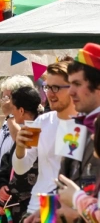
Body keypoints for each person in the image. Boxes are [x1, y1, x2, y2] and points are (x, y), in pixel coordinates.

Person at [12, 59, 77, 223]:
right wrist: (20, 148)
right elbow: (21, 168)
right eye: (47, 87)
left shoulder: (85, 125)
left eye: (56, 87)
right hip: (37, 207)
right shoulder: (42, 122)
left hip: (68, 211)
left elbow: (67, 173)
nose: (49, 93)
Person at [57, 43, 100, 222]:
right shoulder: (71, 127)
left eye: (77, 84)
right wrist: (46, 215)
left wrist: (78, 203)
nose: (71, 91)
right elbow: (61, 184)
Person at [0, 86, 41, 223]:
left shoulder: (34, 131)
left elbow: (28, 173)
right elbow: (8, 163)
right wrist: (0, 185)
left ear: (21, 110)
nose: (11, 111)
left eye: (12, 108)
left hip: (29, 211)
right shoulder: (27, 130)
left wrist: (8, 198)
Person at [58, 115, 100, 223]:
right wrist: (52, 211)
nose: (92, 137)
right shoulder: (71, 127)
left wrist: (77, 199)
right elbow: (64, 174)